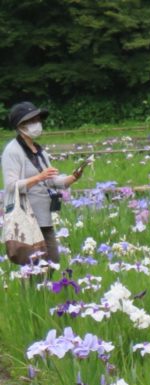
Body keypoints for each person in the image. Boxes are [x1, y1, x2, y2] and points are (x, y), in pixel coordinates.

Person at [3, 102, 88, 265]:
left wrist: (73, 177)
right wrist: (39, 177)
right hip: (27, 217)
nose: (37, 124)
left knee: (52, 261)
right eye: (32, 120)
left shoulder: (39, 150)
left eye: (37, 119)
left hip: (43, 216)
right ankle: (31, 291)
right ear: (20, 125)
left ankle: (44, 290)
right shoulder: (12, 151)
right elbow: (11, 186)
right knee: (33, 266)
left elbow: (52, 180)